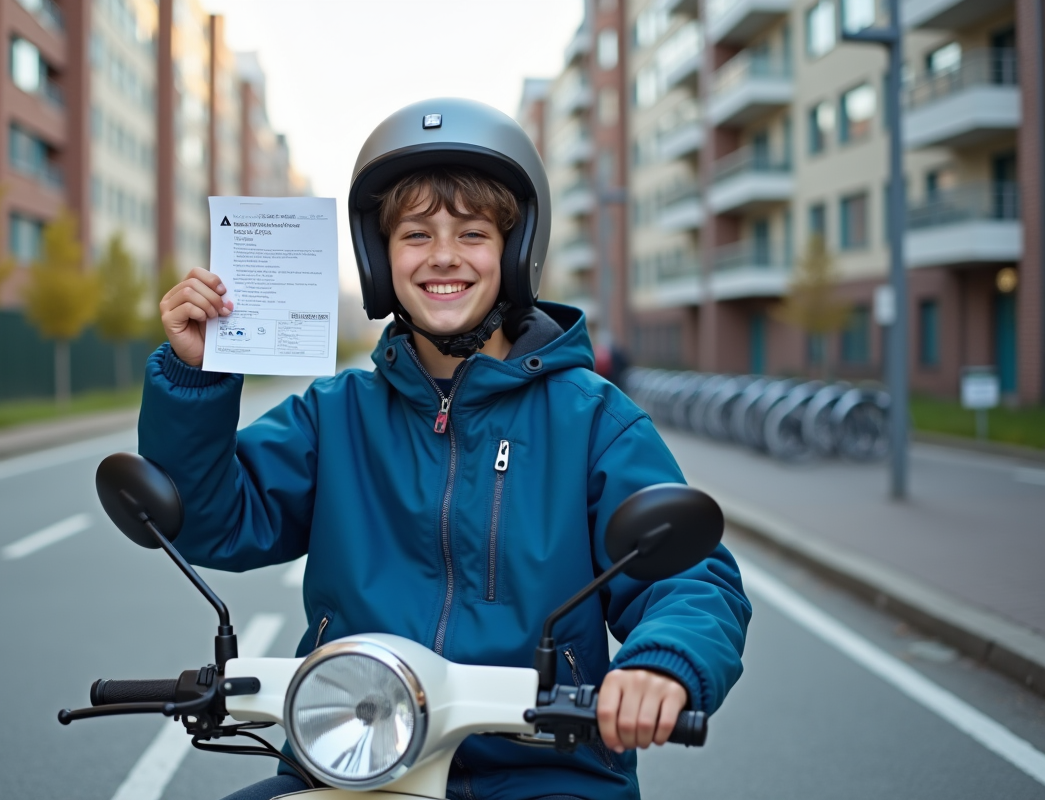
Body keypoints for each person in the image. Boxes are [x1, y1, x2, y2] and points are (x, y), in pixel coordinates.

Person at [140, 98, 750, 800]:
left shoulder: (592, 420)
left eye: (473, 232)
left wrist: (662, 663)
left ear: (517, 252)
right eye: (415, 233)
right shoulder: (334, 416)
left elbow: (690, 577)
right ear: (379, 256)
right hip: (351, 757)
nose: (443, 257)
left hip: (548, 766)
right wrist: (197, 372)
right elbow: (212, 517)